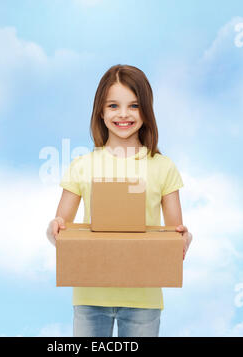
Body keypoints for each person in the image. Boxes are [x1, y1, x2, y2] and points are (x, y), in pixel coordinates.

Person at [46, 64, 193, 337]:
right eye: (113, 105)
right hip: (90, 296)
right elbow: (61, 230)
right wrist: (53, 229)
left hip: (144, 299)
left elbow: (173, 235)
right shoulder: (82, 165)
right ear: (100, 112)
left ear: (146, 112)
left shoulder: (163, 167)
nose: (123, 114)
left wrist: (184, 239)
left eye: (134, 106)